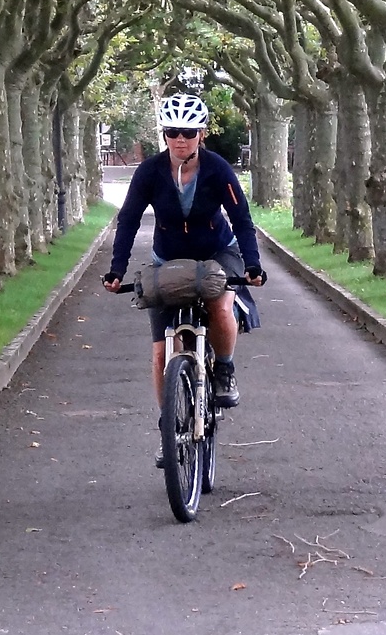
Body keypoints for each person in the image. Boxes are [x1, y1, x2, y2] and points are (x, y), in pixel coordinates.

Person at [103, 93, 266, 444]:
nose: (180, 139)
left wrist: (252, 264)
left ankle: (224, 368)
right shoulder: (150, 172)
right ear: (164, 135)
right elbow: (129, 220)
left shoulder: (217, 170)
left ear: (201, 135)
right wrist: (117, 269)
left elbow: (241, 219)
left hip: (218, 253)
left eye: (188, 133)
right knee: (162, 349)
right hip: (169, 259)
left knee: (221, 305)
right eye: (172, 131)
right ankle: (168, 428)